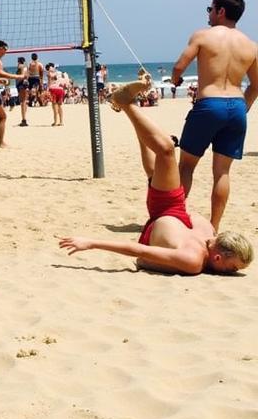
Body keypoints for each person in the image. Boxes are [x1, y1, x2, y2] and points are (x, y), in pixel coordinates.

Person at [59, 79, 252, 275]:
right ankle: (136, 122)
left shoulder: (193, 260)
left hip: (163, 211)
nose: (233, 271)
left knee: (166, 149)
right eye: (234, 267)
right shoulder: (209, 234)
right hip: (174, 207)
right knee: (156, 168)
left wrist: (91, 243)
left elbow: (140, 252)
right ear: (219, 255)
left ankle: (126, 103)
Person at [170, 0, 258, 231]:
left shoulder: (203, 36)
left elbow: (179, 67)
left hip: (210, 103)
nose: (208, 14)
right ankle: (214, 227)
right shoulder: (251, 45)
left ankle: (175, 216)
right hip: (236, 107)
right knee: (222, 173)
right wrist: (244, 106)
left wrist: (175, 80)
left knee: (186, 166)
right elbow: (256, 85)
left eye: (210, 9)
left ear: (220, 11)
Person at [14, 57, 30, 126]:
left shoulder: (20, 66)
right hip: (25, 83)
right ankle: (24, 117)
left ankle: (24, 120)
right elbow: (27, 75)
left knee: (22, 102)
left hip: (21, 84)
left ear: (19, 61)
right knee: (24, 101)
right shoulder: (26, 67)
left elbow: (22, 75)